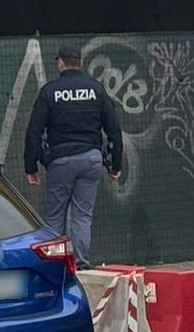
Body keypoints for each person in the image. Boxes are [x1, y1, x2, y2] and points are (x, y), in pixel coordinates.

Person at [23, 46, 123, 270]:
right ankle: (81, 264)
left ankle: (53, 266)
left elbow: (34, 131)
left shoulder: (50, 92)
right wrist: (115, 165)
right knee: (82, 216)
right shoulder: (96, 90)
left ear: (60, 63)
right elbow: (114, 130)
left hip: (60, 160)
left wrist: (31, 167)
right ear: (80, 62)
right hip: (91, 159)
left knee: (55, 217)